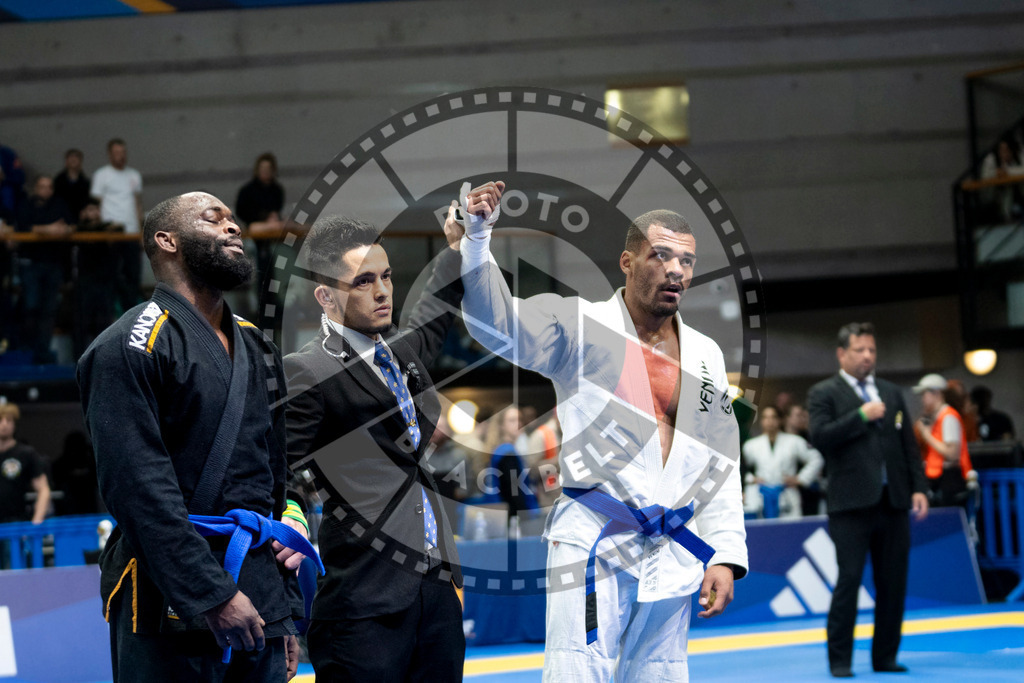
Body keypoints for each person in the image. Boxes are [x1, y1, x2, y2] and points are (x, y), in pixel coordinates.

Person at [458, 182, 748, 681]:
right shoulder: (579, 325)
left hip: (674, 548)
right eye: (661, 256)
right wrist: (479, 240)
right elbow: (498, 324)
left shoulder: (707, 356)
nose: (676, 269)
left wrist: (724, 554)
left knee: (660, 673)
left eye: (687, 260)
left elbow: (720, 461)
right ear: (627, 262)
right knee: (577, 672)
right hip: (594, 542)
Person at [77, 191, 314, 682]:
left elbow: (275, 485)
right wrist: (212, 594)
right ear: (167, 241)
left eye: (233, 220)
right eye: (213, 219)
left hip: (259, 598)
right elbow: (139, 491)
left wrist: (284, 609)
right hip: (170, 597)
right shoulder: (127, 347)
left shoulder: (258, 345)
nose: (234, 227)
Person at [283, 207, 471, 682]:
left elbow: (434, 314)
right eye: (364, 281)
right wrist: (289, 520)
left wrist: (455, 249)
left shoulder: (402, 352)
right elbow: (278, 470)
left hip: (437, 590)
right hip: (363, 601)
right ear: (325, 297)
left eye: (386, 276)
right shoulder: (309, 370)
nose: (384, 291)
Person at [807, 322, 928, 678]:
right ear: (842, 354)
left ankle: (885, 657)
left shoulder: (890, 392)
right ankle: (840, 660)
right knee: (849, 581)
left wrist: (918, 487)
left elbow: (908, 445)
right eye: (860, 350)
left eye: (872, 350)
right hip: (850, 505)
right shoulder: (823, 392)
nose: (867, 356)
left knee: (894, 583)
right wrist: (860, 416)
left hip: (893, 501)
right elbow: (821, 436)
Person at [16, 175, 73, 363]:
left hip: (53, 263)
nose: (45, 190)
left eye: (49, 187)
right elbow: (22, 226)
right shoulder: (26, 204)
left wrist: (43, 228)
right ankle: (25, 349)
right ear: (36, 188)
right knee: (30, 306)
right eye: (42, 186)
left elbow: (68, 225)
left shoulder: (59, 204)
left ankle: (42, 352)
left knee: (49, 310)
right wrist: (48, 228)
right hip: (31, 263)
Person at [91, 138, 144, 313]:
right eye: (116, 153)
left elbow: (137, 204)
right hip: (111, 235)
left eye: (123, 152)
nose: (120, 156)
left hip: (131, 234)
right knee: (110, 278)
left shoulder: (134, 175)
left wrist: (140, 232)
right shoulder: (102, 175)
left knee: (132, 279)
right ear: (110, 154)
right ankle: (110, 318)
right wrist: (102, 230)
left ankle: (132, 318)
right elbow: (95, 206)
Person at [742, 405, 823, 518]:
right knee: (762, 533)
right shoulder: (750, 445)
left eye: (773, 417)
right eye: (766, 417)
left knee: (790, 532)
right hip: (760, 495)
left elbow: (816, 458)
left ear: (780, 420)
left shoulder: (794, 441)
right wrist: (751, 478)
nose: (770, 421)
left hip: (787, 493)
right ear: (761, 421)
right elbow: (741, 469)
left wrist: (801, 479)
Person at [913, 374, 973, 507]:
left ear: (937, 393)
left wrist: (926, 434)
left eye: (925, 394)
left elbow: (952, 454)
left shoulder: (948, 416)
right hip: (938, 478)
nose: (922, 399)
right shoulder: (937, 416)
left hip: (951, 478)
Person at [72, 199, 121, 356]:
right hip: (84, 282)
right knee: (81, 322)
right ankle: (79, 359)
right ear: (82, 213)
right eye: (89, 210)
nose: (92, 213)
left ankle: (103, 357)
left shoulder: (107, 229)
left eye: (95, 210)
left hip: (104, 282)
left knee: (103, 323)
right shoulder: (78, 230)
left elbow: (118, 229)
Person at [236, 152, 285, 296]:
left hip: (272, 236)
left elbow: (277, 210)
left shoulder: (277, 190)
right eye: (262, 169)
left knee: (274, 271)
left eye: (268, 169)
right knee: (259, 274)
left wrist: (274, 217)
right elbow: (243, 212)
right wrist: (264, 217)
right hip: (255, 234)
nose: (265, 172)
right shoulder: (248, 190)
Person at [482, 405, 539, 523]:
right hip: (513, 518)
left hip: (505, 516)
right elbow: (515, 493)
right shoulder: (507, 454)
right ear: (502, 426)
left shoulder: (501, 450)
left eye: (520, 419)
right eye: (512, 420)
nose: (518, 424)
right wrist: (525, 519)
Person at [0, 402, 52, 525]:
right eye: (0, 420)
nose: (4, 424)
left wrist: (36, 523)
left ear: (14, 424)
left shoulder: (25, 453)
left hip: (15, 524)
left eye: (9, 420)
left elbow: (43, 489)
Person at [783, 403, 826, 515]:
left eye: (803, 416)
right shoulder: (780, 438)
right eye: (798, 415)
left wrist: (801, 478)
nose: (801, 419)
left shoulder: (808, 438)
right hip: (785, 491)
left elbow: (817, 461)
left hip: (808, 491)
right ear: (787, 418)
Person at [54, 148, 92, 220]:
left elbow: (88, 201)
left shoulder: (86, 183)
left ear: (81, 161)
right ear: (66, 161)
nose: (73, 160)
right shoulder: (58, 181)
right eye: (71, 157)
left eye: (76, 157)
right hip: (60, 218)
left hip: (80, 219)